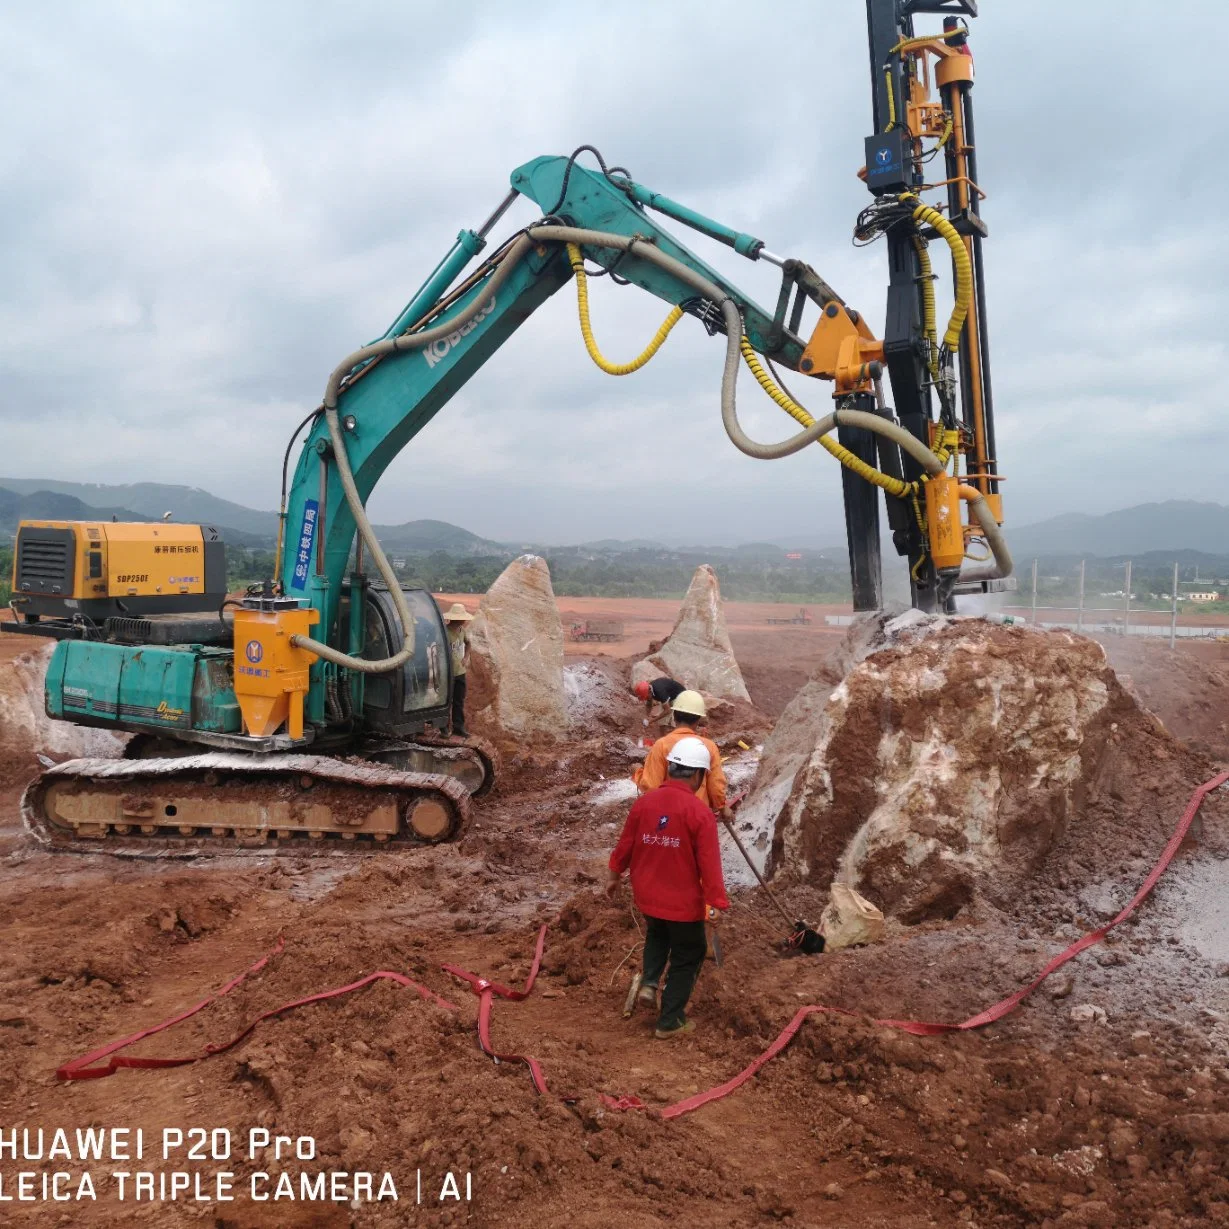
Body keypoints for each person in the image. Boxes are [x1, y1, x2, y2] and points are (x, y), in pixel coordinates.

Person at [607, 737, 729, 1039]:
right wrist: (715, 903)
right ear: (699, 775)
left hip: (648, 896)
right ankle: (670, 1021)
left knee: (658, 934)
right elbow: (710, 866)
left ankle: (649, 982)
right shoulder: (700, 814)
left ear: (670, 768)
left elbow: (625, 845)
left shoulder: (644, 804)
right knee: (690, 951)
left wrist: (613, 875)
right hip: (683, 904)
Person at [636, 690, 730, 822]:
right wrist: (722, 807)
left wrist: (637, 773)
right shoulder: (709, 747)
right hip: (698, 816)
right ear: (698, 719)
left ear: (674, 716)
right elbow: (716, 786)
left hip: (668, 818)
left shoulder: (661, 745)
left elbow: (651, 786)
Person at [442, 602, 474, 736]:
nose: (464, 620)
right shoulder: (444, 632)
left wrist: (466, 657)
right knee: (445, 701)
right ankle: (443, 726)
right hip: (447, 673)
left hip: (460, 672)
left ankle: (458, 726)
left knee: (458, 700)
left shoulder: (462, 631)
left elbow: (468, 644)